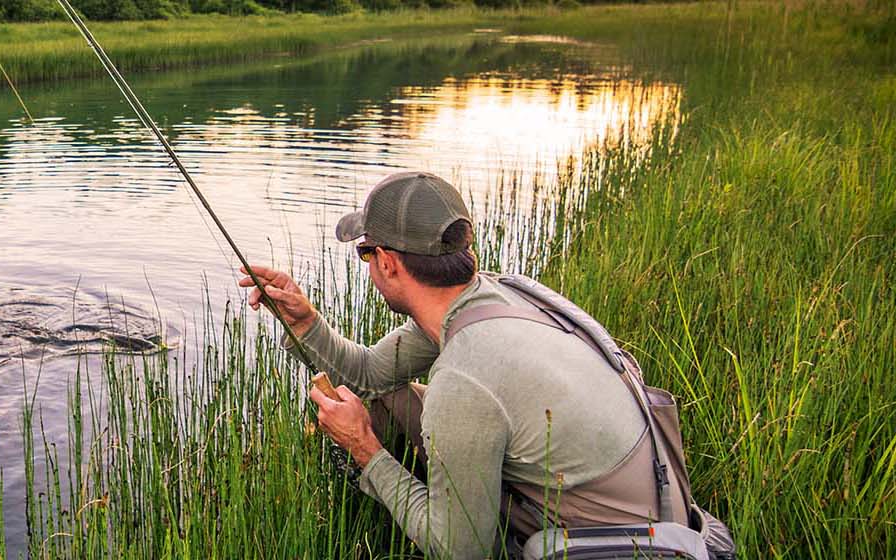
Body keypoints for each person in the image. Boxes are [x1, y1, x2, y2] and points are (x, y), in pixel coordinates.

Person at [240, 171, 679, 558]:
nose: (369, 265)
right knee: (384, 398)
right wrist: (305, 321)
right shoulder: (494, 296)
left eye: (366, 253)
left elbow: (463, 550)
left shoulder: (464, 381)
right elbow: (371, 375)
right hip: (655, 505)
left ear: (389, 264)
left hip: (620, 546)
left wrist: (366, 451)